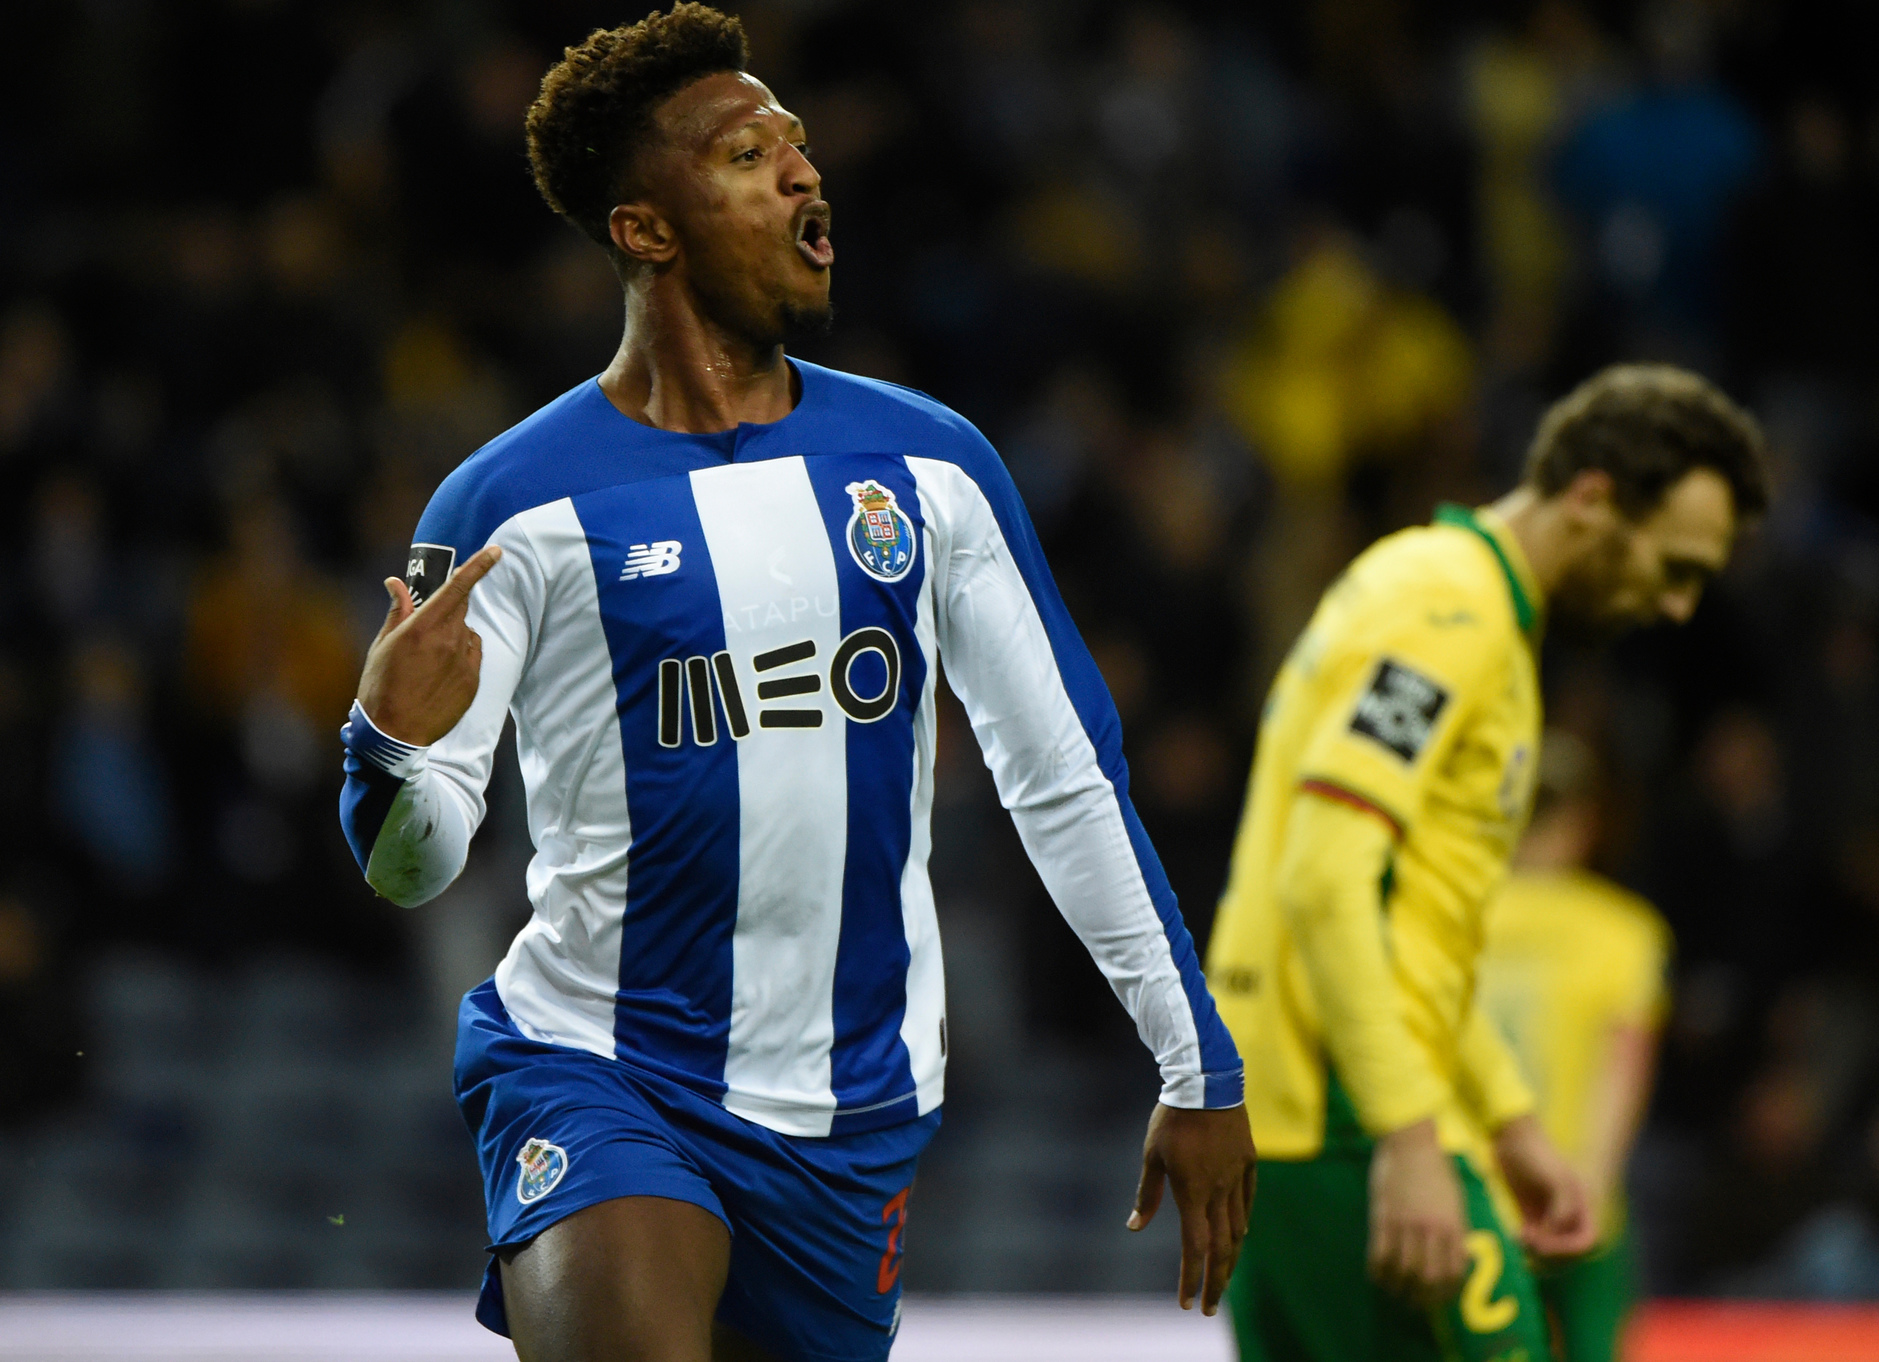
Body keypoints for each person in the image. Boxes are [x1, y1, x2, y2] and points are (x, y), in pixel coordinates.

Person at [335, 7, 1254, 1360]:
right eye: (745, 153)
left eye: (798, 144)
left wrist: (1195, 1060)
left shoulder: (930, 465)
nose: (802, 171)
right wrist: (386, 745)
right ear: (644, 228)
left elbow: (1064, 777)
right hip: (598, 1068)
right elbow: (412, 869)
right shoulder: (508, 505)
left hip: (852, 1115)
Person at [1207, 363, 1769, 1362]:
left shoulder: (1439, 596)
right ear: (1590, 499)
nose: (1679, 606)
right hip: (1345, 1120)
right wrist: (1408, 1137)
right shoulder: (1450, 616)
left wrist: (1509, 1123)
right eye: (1674, 567)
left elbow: (1412, 929)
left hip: (1295, 1118)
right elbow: (1325, 879)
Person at [1478, 730, 1670, 1362]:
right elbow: (1624, 1069)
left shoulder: (1446, 921)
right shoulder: (1624, 931)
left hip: (1470, 1205)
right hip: (1577, 1200)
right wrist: (1590, 1183)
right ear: (1584, 821)